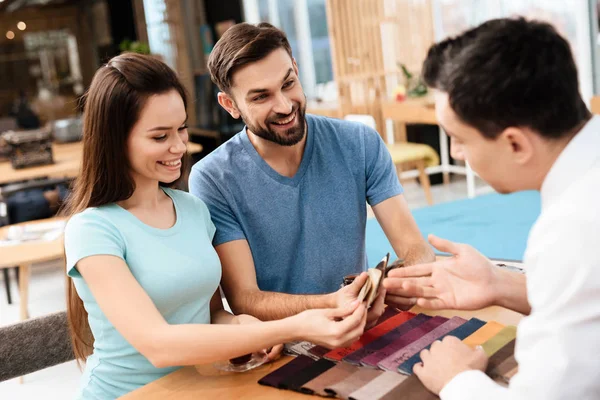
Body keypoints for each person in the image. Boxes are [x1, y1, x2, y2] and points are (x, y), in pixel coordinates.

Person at [62, 53, 368, 399]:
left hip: (197, 389)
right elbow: (159, 345)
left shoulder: (192, 210)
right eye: (160, 137)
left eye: (181, 128)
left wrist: (244, 325)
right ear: (115, 140)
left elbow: (209, 314)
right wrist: (290, 326)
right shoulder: (92, 230)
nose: (179, 146)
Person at [383, 17, 600, 399]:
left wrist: (456, 380)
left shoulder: (573, 229)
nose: (454, 153)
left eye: (459, 139)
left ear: (515, 144)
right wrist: (500, 283)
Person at [188, 22, 435, 324]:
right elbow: (244, 299)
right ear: (230, 105)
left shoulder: (359, 143)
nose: (284, 105)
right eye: (260, 97)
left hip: (359, 325)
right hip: (281, 344)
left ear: (295, 67)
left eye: (288, 83)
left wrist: (403, 278)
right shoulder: (213, 178)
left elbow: (415, 248)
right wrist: (334, 303)